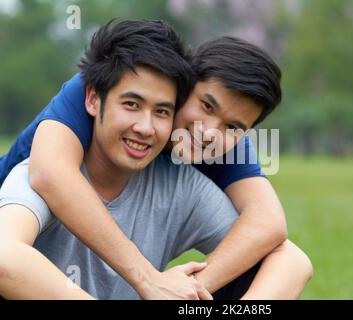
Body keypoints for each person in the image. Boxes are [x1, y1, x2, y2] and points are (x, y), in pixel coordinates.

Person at [0, 19, 313, 298]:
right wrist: (147, 278)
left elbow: (270, 226)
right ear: (183, 88)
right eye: (206, 106)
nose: (209, 133)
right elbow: (49, 174)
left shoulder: (215, 150)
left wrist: (187, 291)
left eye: (232, 127)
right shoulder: (98, 89)